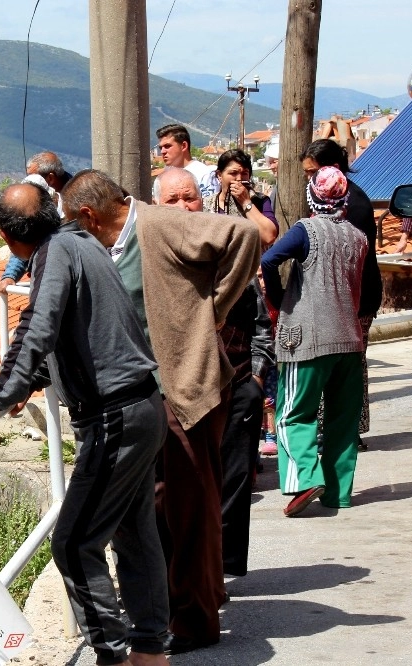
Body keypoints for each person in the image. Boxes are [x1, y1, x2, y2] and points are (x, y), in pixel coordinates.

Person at [0, 182, 171, 666]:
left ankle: (114, 656)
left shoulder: (55, 254)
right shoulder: (80, 242)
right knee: (135, 535)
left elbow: (39, 325)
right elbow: (75, 332)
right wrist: (35, 381)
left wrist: (0, 395)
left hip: (116, 415)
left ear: (6, 234)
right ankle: (149, 650)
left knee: (74, 544)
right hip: (142, 406)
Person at [61, 169, 260, 655]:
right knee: (156, 506)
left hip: (184, 388)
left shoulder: (159, 225)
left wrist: (214, 306)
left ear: (90, 215)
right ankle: (184, 603)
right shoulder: (113, 243)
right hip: (145, 396)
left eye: (75, 222)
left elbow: (246, 234)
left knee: (189, 508)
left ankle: (195, 621)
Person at [157, 169, 275, 577]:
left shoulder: (228, 255)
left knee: (233, 481)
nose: (182, 206)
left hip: (237, 384)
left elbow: (262, 323)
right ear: (157, 208)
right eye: (171, 200)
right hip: (181, 394)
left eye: (188, 197)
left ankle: (222, 573)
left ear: (202, 200)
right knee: (182, 489)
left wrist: (256, 379)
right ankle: (191, 574)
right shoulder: (155, 264)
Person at [261, 166, 368, 517]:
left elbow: (269, 259)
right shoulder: (358, 236)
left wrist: (279, 301)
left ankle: (305, 479)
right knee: (342, 419)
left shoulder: (305, 231)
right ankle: (338, 492)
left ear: (312, 197)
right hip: (349, 340)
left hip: (305, 339)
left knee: (293, 413)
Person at [300, 138, 383, 450]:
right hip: (343, 297)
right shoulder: (337, 201)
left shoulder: (354, 205)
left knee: (350, 365)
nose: (309, 180)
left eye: (312, 173)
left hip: (355, 298)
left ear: (332, 169)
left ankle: (347, 428)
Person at [0, 151, 72, 294]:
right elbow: (26, 238)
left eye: (34, 178)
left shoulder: (78, 201)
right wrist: (10, 275)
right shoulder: (37, 201)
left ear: (50, 178)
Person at [203, 148, 278, 246]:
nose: (239, 179)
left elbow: (269, 236)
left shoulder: (260, 201)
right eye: (233, 173)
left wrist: (246, 202)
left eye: (244, 174)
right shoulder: (206, 204)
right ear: (219, 175)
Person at [155, 124, 213, 191]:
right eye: (161, 148)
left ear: (184, 146)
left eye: (167, 146)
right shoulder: (163, 178)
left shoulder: (204, 175)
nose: (162, 151)